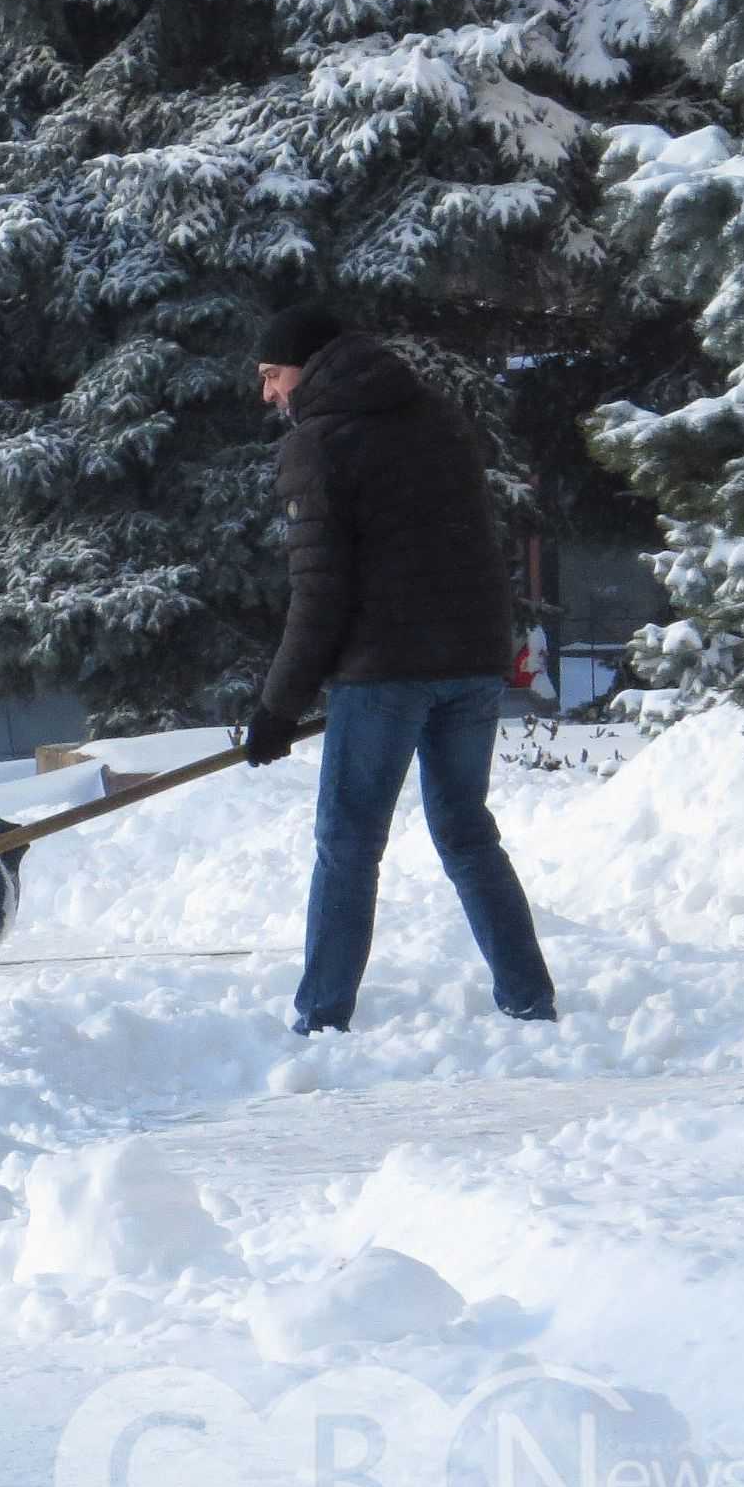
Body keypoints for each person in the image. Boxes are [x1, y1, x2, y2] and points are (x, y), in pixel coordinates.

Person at [241, 305, 557, 1035]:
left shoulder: (319, 444)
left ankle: (321, 1017)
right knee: (467, 832)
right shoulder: (439, 419)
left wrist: (278, 706)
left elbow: (320, 589)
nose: (267, 393)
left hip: (385, 673)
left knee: (348, 843)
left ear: (308, 368)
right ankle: (529, 999)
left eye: (270, 374)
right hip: (472, 662)